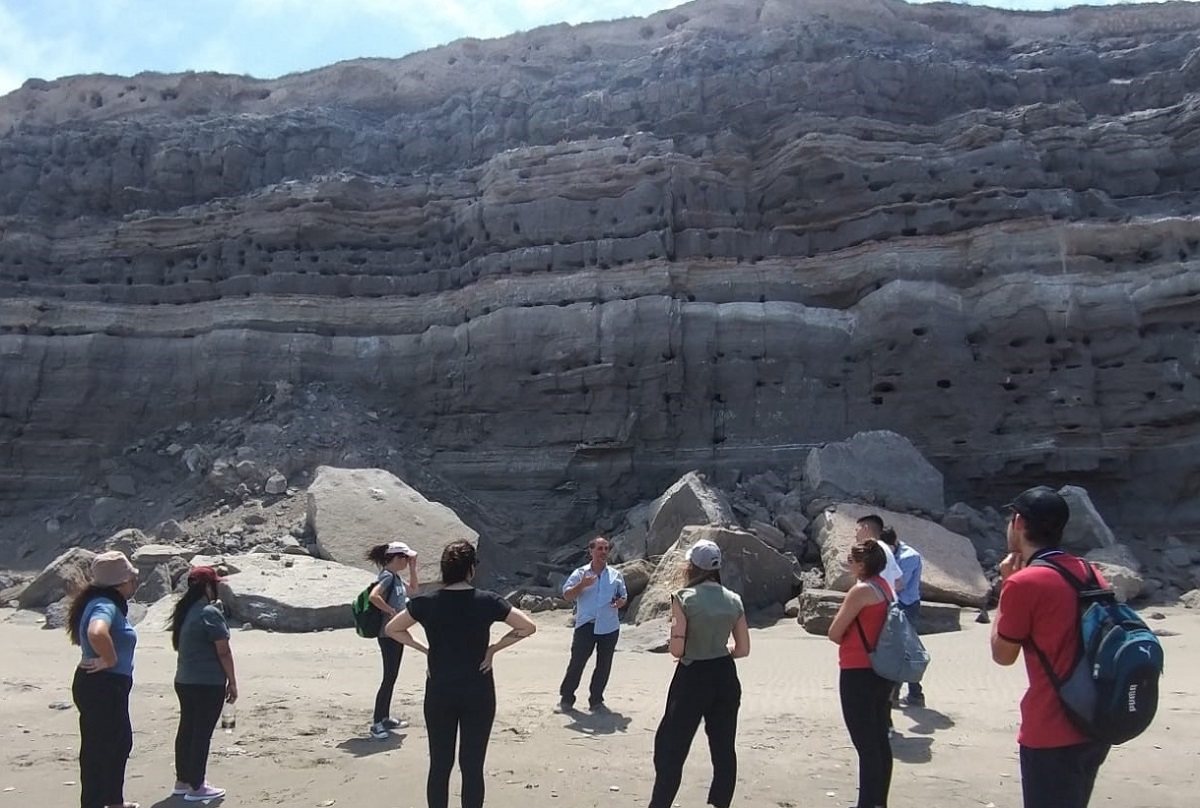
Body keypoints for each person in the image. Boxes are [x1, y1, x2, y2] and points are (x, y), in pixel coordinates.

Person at [386, 540, 536, 808]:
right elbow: (527, 626)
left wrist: (425, 650)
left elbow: (393, 629)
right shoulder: (487, 601)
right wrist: (493, 649)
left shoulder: (427, 602)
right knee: (472, 766)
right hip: (478, 690)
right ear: (471, 569)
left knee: (440, 765)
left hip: (440, 689)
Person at [991, 486, 1111, 808]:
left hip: (1051, 726)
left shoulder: (1024, 582)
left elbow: (1003, 655)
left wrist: (1006, 587)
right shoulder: (1089, 572)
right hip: (1094, 719)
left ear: (1018, 522)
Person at [648, 539, 750, 808]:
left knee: (671, 747)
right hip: (725, 675)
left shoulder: (684, 598)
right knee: (723, 748)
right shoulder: (733, 599)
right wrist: (720, 647)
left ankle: (660, 803)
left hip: (692, 677)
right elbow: (742, 649)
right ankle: (720, 803)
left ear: (692, 566)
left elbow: (677, 650)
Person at [66, 550, 141, 808]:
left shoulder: (102, 600)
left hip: (104, 685)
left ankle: (113, 801)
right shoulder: (105, 604)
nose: (135, 583)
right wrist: (109, 659)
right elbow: (96, 632)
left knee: (119, 743)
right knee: (100, 751)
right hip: (102, 685)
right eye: (133, 579)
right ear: (121, 582)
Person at [828, 539, 894, 808]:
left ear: (862, 564)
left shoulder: (861, 591)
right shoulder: (885, 587)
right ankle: (879, 801)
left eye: (851, 560)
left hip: (857, 670)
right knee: (879, 739)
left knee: (866, 744)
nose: (848, 564)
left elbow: (834, 631)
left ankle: (867, 803)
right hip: (882, 670)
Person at [169, 566, 237, 803]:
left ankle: (183, 780)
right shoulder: (210, 612)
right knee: (201, 734)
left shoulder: (185, 611)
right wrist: (233, 683)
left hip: (184, 679)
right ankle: (197, 785)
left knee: (187, 729)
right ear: (208, 587)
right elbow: (224, 651)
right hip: (206, 682)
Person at [557, 535, 628, 712]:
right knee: (577, 663)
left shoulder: (615, 575)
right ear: (591, 551)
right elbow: (566, 595)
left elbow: (623, 595)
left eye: (606, 549)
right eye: (600, 548)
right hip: (586, 626)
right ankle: (566, 699)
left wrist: (620, 602)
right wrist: (582, 585)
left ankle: (596, 700)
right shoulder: (581, 573)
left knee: (603, 665)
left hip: (609, 626)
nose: (604, 552)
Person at [365, 540, 420, 739]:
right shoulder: (387, 577)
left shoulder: (395, 577)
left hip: (395, 634)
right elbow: (374, 596)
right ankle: (377, 723)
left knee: (391, 676)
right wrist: (391, 611)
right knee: (388, 678)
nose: (407, 561)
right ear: (397, 558)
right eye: (406, 558)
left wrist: (413, 568)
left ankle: (385, 717)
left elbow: (414, 590)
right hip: (387, 634)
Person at [880, 527, 925, 707]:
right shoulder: (888, 553)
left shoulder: (909, 557)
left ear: (894, 543)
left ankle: (907, 694)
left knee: (905, 648)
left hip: (907, 605)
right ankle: (906, 694)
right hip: (893, 603)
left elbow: (899, 585)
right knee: (898, 649)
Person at [856, 515, 901, 594]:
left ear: (865, 528)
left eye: (857, 530)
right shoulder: (885, 548)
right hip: (883, 601)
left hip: (869, 600)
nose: (855, 534)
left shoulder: (871, 549)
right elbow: (899, 583)